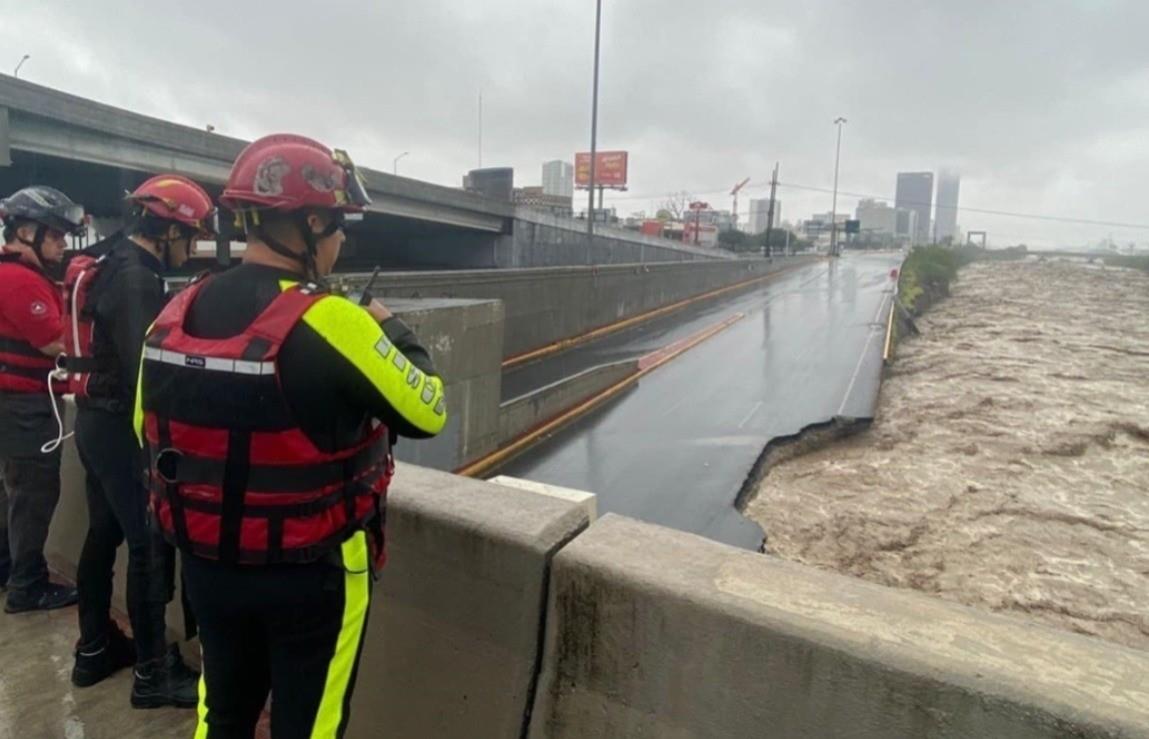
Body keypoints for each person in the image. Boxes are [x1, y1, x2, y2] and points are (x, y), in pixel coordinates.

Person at [135, 134, 447, 738]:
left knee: (220, 713)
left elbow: (142, 428)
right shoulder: (334, 319)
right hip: (314, 572)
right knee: (309, 727)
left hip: (207, 566)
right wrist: (392, 328)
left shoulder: (173, 315)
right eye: (335, 228)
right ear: (308, 223)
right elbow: (428, 410)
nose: (339, 242)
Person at [70, 175, 214, 707]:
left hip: (94, 421)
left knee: (103, 534)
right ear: (166, 228)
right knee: (150, 547)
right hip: (120, 429)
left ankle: (93, 650)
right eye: (190, 234)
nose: (193, 245)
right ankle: (153, 674)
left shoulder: (113, 263)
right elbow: (145, 371)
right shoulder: (137, 279)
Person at [0, 186, 84, 613]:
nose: (63, 244)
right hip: (24, 408)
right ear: (27, 231)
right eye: (55, 235)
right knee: (35, 493)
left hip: (15, 402)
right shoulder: (18, 279)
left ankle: (9, 568)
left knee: (13, 491)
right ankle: (27, 586)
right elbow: (55, 342)